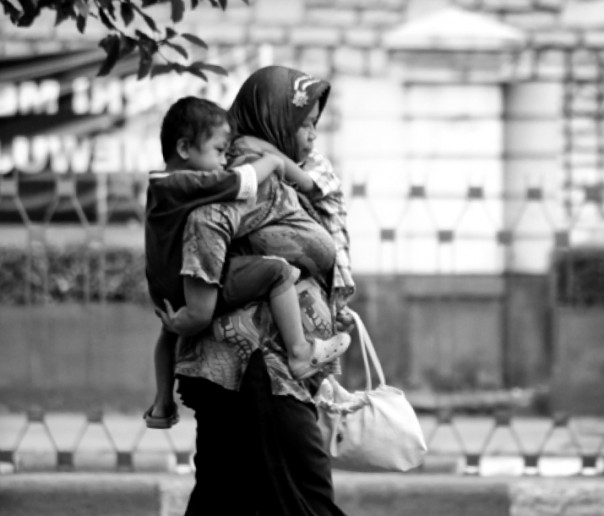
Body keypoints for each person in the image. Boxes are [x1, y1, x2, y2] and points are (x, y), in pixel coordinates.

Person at [157, 65, 351, 515]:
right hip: (259, 369)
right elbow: (207, 221)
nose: (311, 135)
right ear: (273, 119)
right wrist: (202, 302)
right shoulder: (250, 173)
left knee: (225, 501)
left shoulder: (270, 172)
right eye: (303, 124)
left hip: (251, 368)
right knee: (305, 499)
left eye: (314, 124)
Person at [143, 97, 350, 429]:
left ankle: (162, 405)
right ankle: (299, 351)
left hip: (167, 286)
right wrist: (273, 161)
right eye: (218, 151)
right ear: (184, 148)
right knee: (277, 271)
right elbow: (243, 182)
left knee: (168, 335)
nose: (224, 162)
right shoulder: (188, 183)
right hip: (195, 290)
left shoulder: (160, 185)